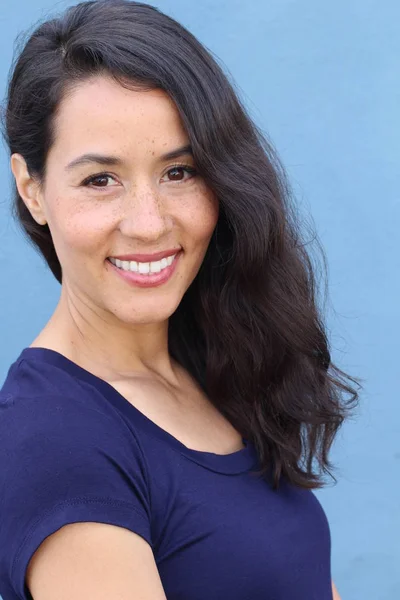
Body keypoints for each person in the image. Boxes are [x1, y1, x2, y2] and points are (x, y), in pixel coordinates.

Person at [0, 1, 360, 598]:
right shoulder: (54, 444)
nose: (148, 224)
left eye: (180, 172)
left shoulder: (217, 368)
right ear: (32, 189)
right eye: (100, 179)